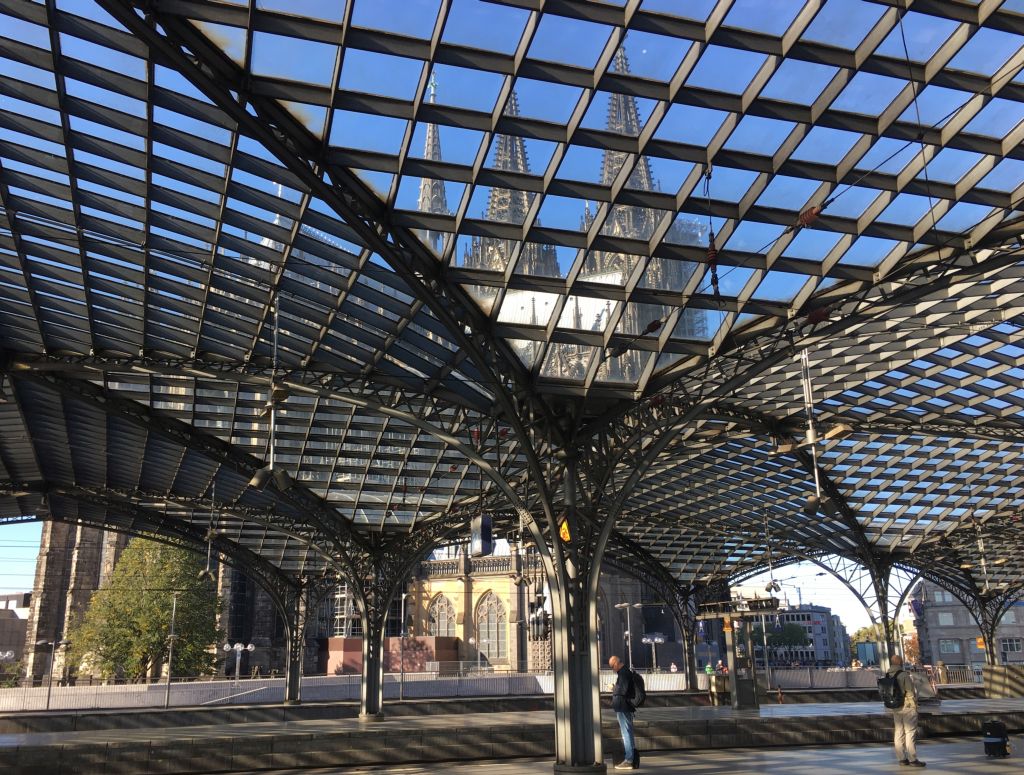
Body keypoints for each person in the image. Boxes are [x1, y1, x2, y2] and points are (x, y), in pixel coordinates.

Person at [886, 655, 926, 767]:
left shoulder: (888, 674)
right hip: (907, 706)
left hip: (895, 707)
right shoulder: (903, 675)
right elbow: (910, 691)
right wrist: (914, 705)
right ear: (900, 662)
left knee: (898, 732)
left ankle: (902, 759)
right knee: (910, 732)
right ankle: (913, 759)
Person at [608, 655, 638, 770]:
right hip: (624, 707)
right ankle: (631, 758)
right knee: (628, 732)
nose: (612, 669)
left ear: (616, 663)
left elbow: (623, 690)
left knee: (626, 734)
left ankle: (629, 760)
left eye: (612, 666)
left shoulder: (624, 673)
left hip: (624, 707)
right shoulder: (624, 673)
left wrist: (613, 688)